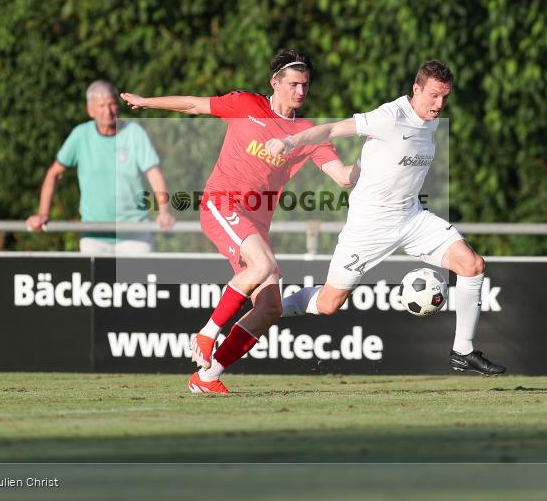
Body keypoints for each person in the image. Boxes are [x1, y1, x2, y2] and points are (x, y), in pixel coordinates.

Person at [121, 49, 359, 394]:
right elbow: (194, 105)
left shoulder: (307, 132)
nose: (301, 92)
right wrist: (146, 102)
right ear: (274, 83)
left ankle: (206, 376)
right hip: (222, 205)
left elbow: (344, 178)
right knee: (263, 265)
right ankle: (206, 334)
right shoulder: (247, 105)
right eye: (293, 84)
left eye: (305, 85)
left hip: (255, 224)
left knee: (270, 308)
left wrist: (377, 154)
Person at [265, 60, 506, 376]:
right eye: (433, 95)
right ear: (415, 89)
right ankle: (270, 309)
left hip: (411, 218)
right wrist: (289, 140)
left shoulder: (431, 120)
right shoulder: (389, 117)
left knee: (472, 265)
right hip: (369, 226)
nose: (439, 104)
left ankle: (463, 351)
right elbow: (334, 128)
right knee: (328, 304)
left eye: (445, 97)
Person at [26, 79, 175, 254]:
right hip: (94, 236)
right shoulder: (80, 135)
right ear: (90, 110)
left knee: (141, 281)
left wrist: (164, 212)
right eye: (101, 105)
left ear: (118, 106)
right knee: (97, 281)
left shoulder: (134, 133)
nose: (108, 111)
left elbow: (154, 174)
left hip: (135, 234)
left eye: (112, 104)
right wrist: (43, 213)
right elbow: (54, 174)